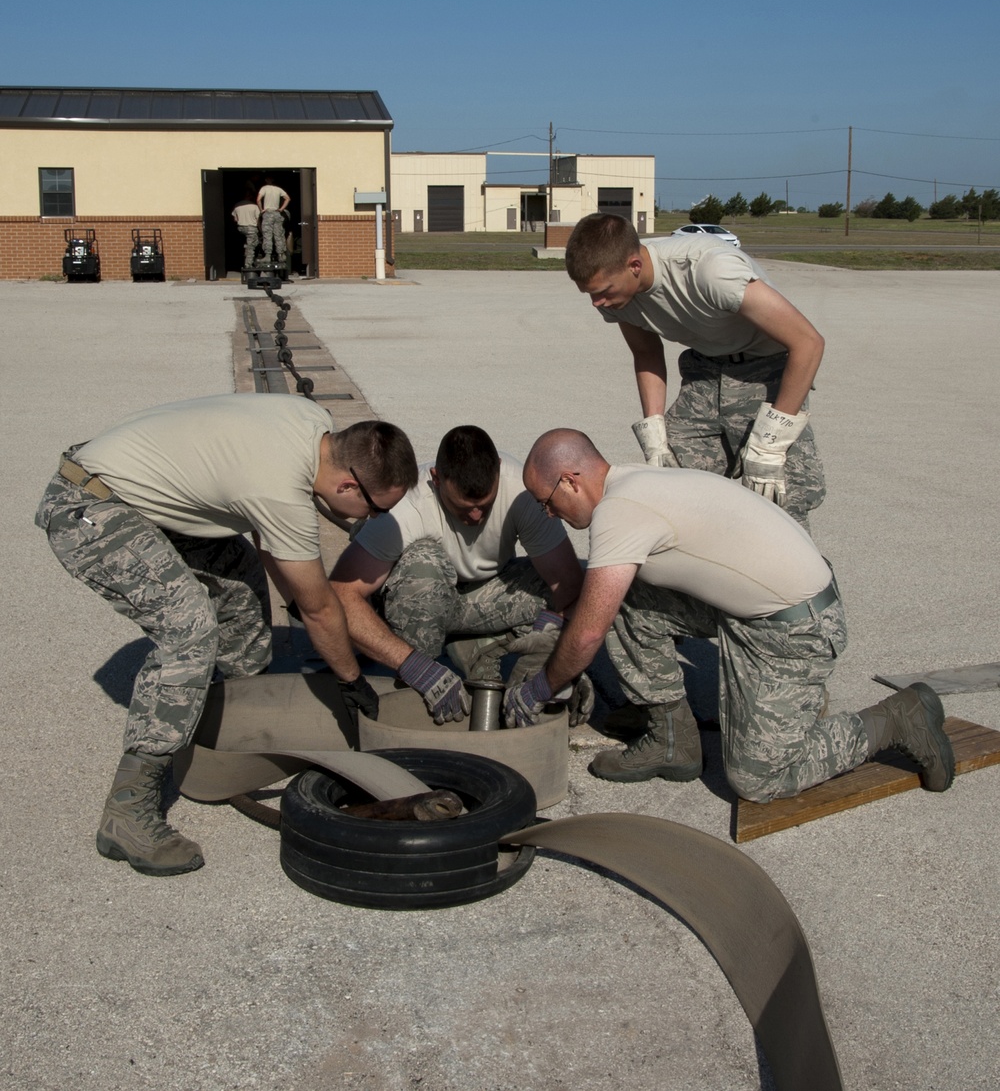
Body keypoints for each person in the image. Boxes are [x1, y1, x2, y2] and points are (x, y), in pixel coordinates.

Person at [35, 395, 417, 877]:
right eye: (375, 510)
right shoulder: (279, 488)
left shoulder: (312, 424)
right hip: (89, 506)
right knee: (188, 631)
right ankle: (128, 811)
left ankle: (237, 715)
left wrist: (302, 603)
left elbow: (274, 553)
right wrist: (348, 677)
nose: (372, 522)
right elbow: (320, 608)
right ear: (347, 484)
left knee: (238, 578)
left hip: (138, 491)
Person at [504, 428, 955, 806]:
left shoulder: (619, 513)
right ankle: (670, 740)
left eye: (546, 501)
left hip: (796, 630)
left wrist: (541, 687)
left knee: (759, 778)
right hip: (758, 606)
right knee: (616, 595)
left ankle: (897, 717)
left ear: (570, 480)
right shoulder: (633, 480)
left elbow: (585, 636)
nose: (548, 514)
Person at [565, 212, 826, 527]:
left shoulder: (710, 270)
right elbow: (646, 352)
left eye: (603, 290)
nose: (597, 303)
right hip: (705, 370)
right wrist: (655, 431)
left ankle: (800, 573)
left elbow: (808, 343)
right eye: (590, 293)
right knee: (669, 482)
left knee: (778, 495)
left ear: (634, 266)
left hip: (766, 370)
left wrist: (770, 444)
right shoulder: (618, 297)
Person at [329, 425, 589, 725]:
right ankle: (422, 680)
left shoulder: (520, 490)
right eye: (464, 507)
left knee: (577, 588)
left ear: (499, 470)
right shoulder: (406, 507)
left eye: (484, 506)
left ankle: (477, 649)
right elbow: (341, 595)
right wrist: (413, 666)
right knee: (421, 563)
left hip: (478, 597)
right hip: (414, 602)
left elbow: (567, 583)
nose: (476, 517)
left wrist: (557, 663)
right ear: (437, 479)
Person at [256, 175, 291, 265]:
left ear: (266, 180)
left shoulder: (264, 188)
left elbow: (258, 199)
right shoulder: (278, 189)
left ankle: (268, 256)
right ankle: (281, 255)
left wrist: (261, 210)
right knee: (278, 235)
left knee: (267, 235)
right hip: (277, 213)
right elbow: (288, 198)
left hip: (268, 213)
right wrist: (281, 209)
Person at [231, 194, 261, 269]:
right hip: (251, 228)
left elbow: (235, 219)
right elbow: (258, 220)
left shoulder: (237, 205)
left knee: (246, 245)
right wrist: (260, 230)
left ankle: (242, 259)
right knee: (251, 247)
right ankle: (248, 265)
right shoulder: (255, 206)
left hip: (240, 228)